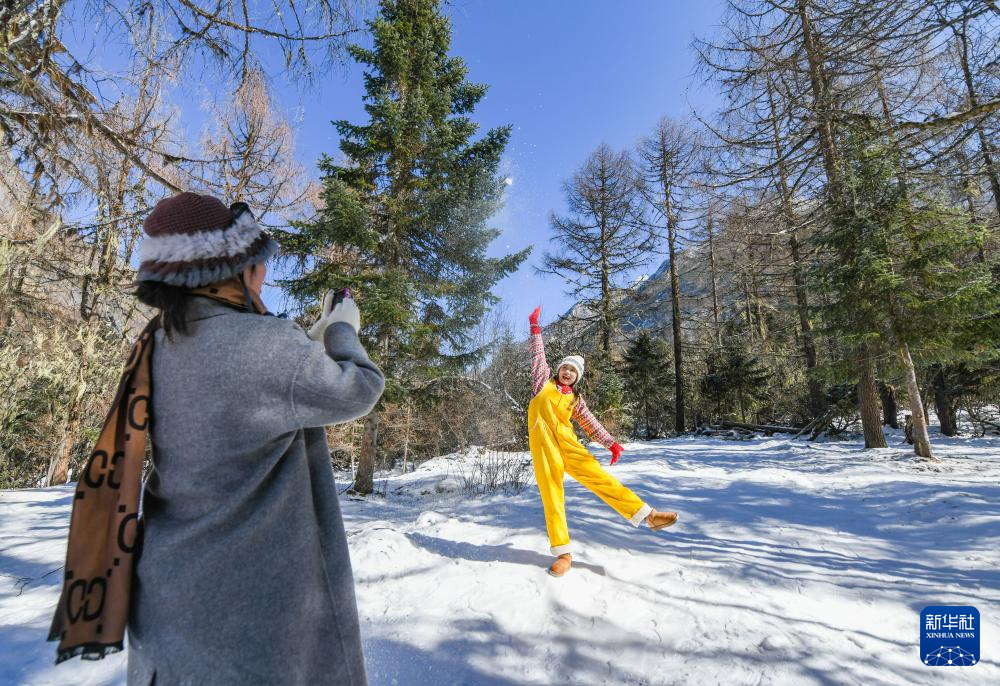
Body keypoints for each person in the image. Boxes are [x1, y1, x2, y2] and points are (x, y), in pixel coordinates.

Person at [48, 192, 384, 685]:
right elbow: (359, 388)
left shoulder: (156, 345)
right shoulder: (265, 345)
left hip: (168, 605)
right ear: (229, 271)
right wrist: (341, 331)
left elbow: (259, 382)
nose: (263, 274)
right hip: (251, 618)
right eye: (256, 262)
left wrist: (307, 341)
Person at [527, 306, 677, 577]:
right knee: (552, 497)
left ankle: (649, 516)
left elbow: (590, 422)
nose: (568, 372)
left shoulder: (576, 399)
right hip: (545, 449)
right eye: (565, 367)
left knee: (602, 479)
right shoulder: (542, 384)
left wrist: (611, 443)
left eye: (573, 371)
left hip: (570, 446)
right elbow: (538, 357)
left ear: (577, 377)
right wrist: (535, 328)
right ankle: (563, 554)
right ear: (558, 370)